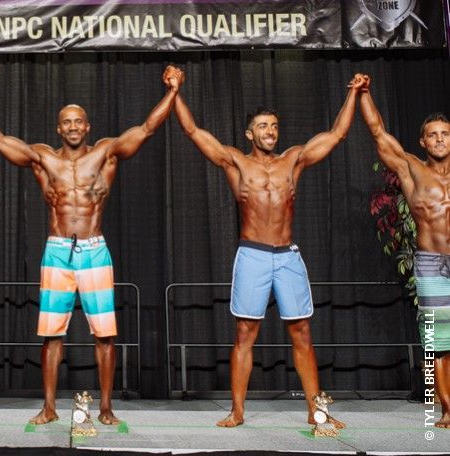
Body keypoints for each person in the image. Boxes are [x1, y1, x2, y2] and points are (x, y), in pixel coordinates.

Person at [0, 66, 184, 426]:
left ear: (88, 126)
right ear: (59, 129)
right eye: (67, 122)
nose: (73, 127)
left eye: (79, 121)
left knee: (105, 334)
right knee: (51, 335)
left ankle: (106, 407)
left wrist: (172, 92)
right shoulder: (43, 157)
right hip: (58, 250)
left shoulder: (106, 153)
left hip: (94, 249)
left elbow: (146, 129)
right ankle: (49, 407)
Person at [172, 74, 367, 428]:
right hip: (253, 255)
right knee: (245, 334)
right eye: (263, 126)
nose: (270, 131)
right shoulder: (235, 162)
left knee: (302, 333)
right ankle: (237, 411)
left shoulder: (293, 160)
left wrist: (354, 93)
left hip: (288, 256)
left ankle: (316, 411)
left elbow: (336, 135)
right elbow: (193, 131)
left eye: (274, 126)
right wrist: (176, 92)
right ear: (249, 134)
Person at [359, 77, 450, 429]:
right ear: (422, 141)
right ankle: (447, 409)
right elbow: (379, 133)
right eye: (433, 135)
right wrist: (365, 93)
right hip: (430, 264)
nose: (439, 139)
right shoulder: (412, 168)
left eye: (445, 134)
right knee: (438, 342)